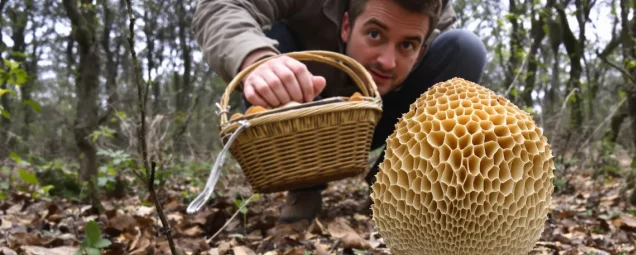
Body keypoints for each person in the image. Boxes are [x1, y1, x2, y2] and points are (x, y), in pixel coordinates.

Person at [192, 0, 487, 223]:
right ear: (346, 25)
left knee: (465, 48)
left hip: (383, 115)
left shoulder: (437, 11)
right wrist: (257, 59)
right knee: (274, 34)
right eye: (374, 34)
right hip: (305, 112)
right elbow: (220, 6)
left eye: (407, 44)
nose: (386, 61)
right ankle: (304, 186)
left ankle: (391, 186)